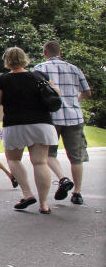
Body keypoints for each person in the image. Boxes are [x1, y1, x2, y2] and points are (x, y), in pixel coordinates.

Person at [0, 47, 59, 214]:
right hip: (42, 123)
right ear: (24, 58)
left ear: (7, 60)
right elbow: (56, 93)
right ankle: (44, 204)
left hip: (16, 123)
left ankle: (27, 193)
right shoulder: (39, 76)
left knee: (13, 160)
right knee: (40, 162)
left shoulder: (2, 80)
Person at [34, 41, 92, 205]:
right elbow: (87, 92)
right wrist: (75, 99)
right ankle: (77, 193)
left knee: (48, 154)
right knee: (76, 157)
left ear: (45, 52)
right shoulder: (75, 69)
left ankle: (63, 178)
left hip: (51, 117)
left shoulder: (40, 68)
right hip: (74, 116)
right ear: (61, 52)